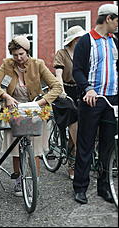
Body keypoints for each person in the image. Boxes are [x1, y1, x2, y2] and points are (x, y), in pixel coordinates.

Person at [0, 35, 62, 197]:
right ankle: (18, 180)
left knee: (34, 149)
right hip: (13, 109)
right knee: (15, 149)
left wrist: (42, 102)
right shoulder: (7, 65)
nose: (18, 58)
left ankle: (33, 181)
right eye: (15, 55)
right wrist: (6, 97)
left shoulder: (38, 64)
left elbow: (56, 86)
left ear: (27, 51)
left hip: (35, 109)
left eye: (21, 54)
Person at [72, 4, 118, 205]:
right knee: (86, 145)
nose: (118, 25)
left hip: (112, 100)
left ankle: (104, 187)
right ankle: (80, 188)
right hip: (92, 100)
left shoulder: (114, 41)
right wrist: (87, 88)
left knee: (108, 146)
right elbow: (77, 70)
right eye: (117, 20)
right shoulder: (86, 41)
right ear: (108, 18)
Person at [53, 25, 86, 180]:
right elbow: (58, 74)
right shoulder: (62, 54)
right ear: (73, 40)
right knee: (74, 121)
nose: (81, 40)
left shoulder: (84, 53)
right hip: (64, 91)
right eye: (79, 38)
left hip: (80, 89)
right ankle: (72, 164)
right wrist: (61, 90)